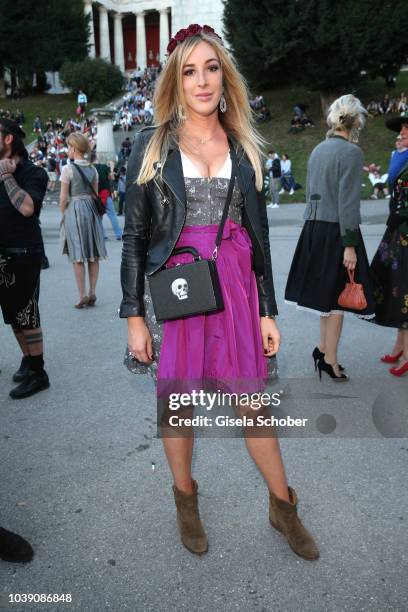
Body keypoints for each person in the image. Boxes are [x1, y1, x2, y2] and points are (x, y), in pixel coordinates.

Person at [120, 23, 319, 561]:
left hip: (235, 284)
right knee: (178, 404)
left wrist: (269, 310)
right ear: (175, 82)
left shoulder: (244, 147)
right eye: (189, 71)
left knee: (251, 403)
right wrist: (133, 314)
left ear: (224, 77)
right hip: (181, 285)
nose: (201, 80)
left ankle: (283, 507)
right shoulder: (152, 146)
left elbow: (259, 242)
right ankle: (186, 500)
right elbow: (136, 237)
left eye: (211, 68)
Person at [285, 94, 376, 380]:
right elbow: (347, 203)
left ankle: (323, 349)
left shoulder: (318, 150)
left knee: (326, 298)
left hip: (314, 229)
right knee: (337, 301)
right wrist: (349, 245)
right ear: (355, 121)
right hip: (338, 230)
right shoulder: (351, 153)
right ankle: (330, 360)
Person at [0, 118, 50, 399]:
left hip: (24, 254)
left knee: (27, 316)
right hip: (2, 255)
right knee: (14, 318)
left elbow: (28, 208)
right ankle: (29, 362)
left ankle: (38, 373)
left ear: (8, 139)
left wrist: (7, 177)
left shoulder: (34, 173)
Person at [370, 116, 408, 376]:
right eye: (401, 131)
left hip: (405, 231)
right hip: (398, 232)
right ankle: (400, 346)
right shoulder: (400, 158)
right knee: (397, 288)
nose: (401, 134)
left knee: (405, 290)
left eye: (405, 131)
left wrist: (404, 214)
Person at [60, 133, 107, 308]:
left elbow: (63, 198)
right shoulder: (92, 169)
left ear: (73, 148)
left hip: (75, 209)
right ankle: (93, 292)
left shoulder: (68, 169)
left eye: (68, 147)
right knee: (93, 254)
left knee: (77, 255)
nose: (67, 150)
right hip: (91, 210)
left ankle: (82, 295)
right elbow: (95, 195)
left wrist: (64, 214)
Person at [92, 154, 123, 240]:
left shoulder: (90, 168)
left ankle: (102, 235)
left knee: (98, 217)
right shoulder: (104, 167)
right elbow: (112, 178)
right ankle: (118, 234)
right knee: (112, 215)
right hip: (106, 194)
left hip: (95, 196)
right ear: (97, 158)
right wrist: (112, 168)